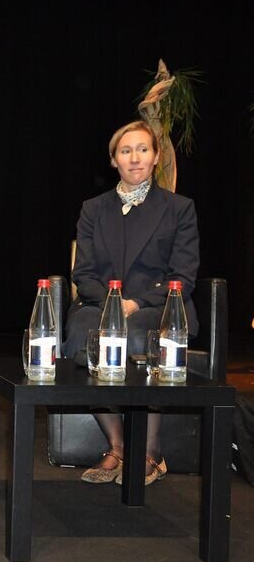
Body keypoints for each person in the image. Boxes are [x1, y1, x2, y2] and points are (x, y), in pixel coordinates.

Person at [63, 120, 199, 487]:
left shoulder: (179, 208)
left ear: (155, 157)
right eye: (126, 151)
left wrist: (135, 303)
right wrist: (112, 302)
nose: (134, 157)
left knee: (138, 339)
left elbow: (183, 276)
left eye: (142, 149)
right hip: (101, 302)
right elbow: (84, 271)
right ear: (114, 161)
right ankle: (119, 445)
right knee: (82, 337)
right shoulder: (93, 209)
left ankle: (151, 452)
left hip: (161, 305)